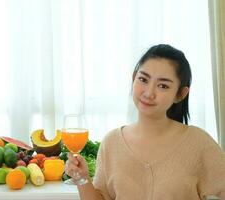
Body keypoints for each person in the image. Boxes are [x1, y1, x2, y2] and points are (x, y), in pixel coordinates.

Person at [64, 44, 225, 200]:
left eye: (163, 86)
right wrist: (82, 179)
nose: (149, 93)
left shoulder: (198, 143)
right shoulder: (111, 143)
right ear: (134, 78)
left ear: (181, 94)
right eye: (143, 79)